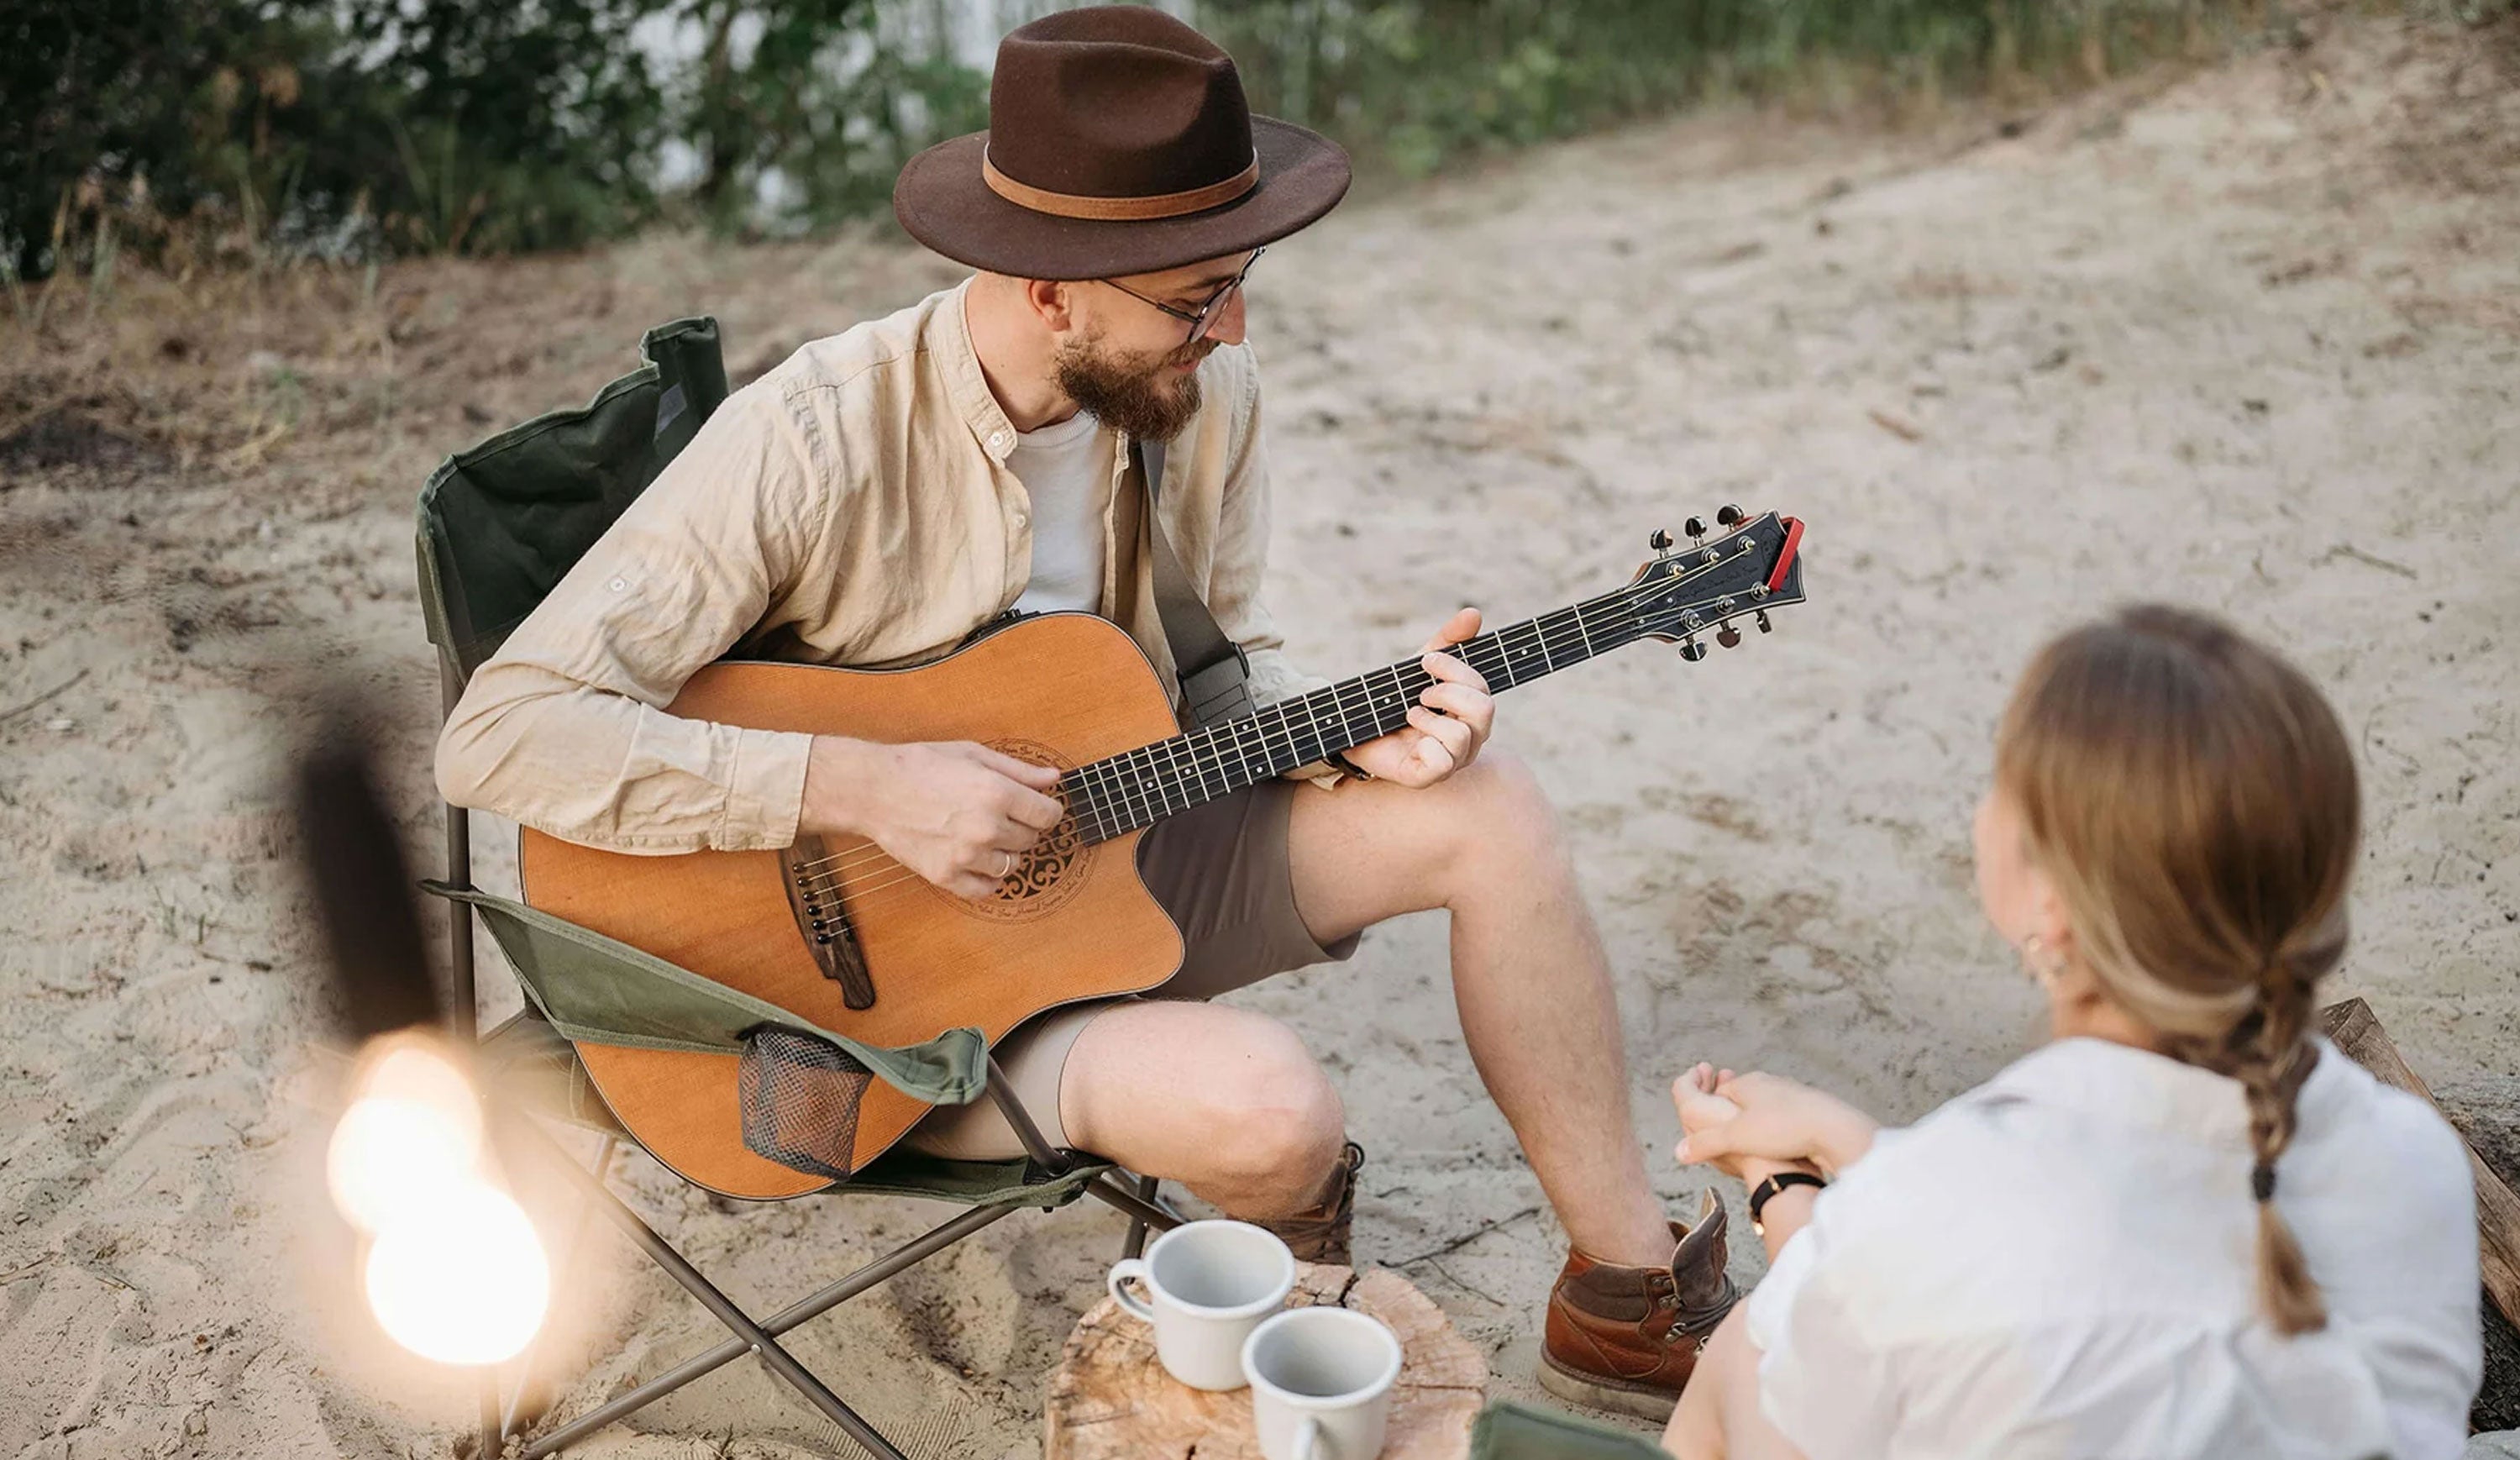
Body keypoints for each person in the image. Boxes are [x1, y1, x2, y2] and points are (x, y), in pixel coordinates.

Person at [435, 5, 1731, 1417]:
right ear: (1049, 288)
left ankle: (1626, 1295)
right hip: (873, 1024)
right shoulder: (814, 436)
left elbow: (1215, 679)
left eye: (1237, 284)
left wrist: (1337, 736)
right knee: (1275, 1111)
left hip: (1120, 852)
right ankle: (1279, 1248)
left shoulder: (1203, 396)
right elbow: (499, 733)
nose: (1228, 327)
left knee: (1486, 809)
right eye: (1194, 298)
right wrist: (858, 789)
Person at [1656, 605, 2483, 1459]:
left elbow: (1853, 1331)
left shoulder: (1944, 1200)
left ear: (2051, 902)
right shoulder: (2412, 1160)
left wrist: (1775, 1184)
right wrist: (1853, 1150)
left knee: (1746, 1352)